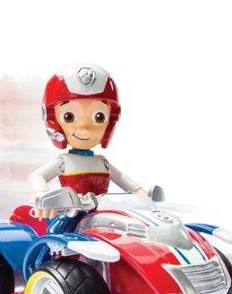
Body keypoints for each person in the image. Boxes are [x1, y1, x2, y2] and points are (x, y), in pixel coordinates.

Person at [28, 64, 147, 219]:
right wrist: (42, 194)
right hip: (73, 214)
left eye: (99, 117)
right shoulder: (64, 162)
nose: (85, 128)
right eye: (69, 117)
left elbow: (123, 180)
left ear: (110, 121)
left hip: (102, 215)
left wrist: (141, 193)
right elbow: (36, 176)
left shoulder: (103, 163)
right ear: (53, 122)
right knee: (59, 230)